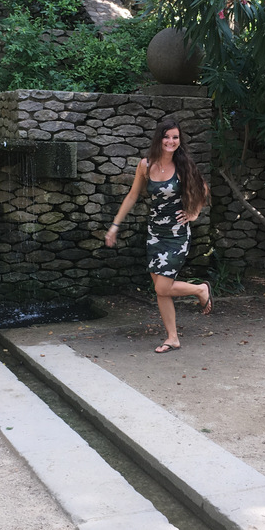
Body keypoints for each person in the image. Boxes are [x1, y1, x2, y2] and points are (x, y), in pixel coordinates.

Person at [105, 117, 212, 353]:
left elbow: (203, 188)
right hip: (155, 234)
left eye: (175, 137)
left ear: (180, 140)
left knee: (163, 287)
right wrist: (115, 225)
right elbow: (132, 195)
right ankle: (172, 338)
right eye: (166, 137)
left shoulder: (183, 166)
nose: (171, 141)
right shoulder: (145, 165)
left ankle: (200, 290)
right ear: (159, 138)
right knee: (160, 289)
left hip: (177, 234)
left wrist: (194, 213)